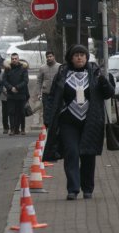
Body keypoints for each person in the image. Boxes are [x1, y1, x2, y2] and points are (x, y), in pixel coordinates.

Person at [43, 45, 116, 200]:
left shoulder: (95, 73)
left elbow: (108, 94)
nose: (79, 58)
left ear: (86, 57)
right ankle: (73, 189)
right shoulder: (63, 73)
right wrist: (48, 118)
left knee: (88, 154)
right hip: (68, 121)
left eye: (82, 55)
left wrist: (103, 81)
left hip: (91, 121)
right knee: (72, 152)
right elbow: (53, 97)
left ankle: (87, 188)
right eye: (76, 55)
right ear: (71, 58)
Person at [2, 53, 29, 135]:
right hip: (11, 94)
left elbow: (25, 81)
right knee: (11, 112)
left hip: (21, 93)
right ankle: (12, 129)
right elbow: (4, 80)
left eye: (15, 58)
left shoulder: (23, 68)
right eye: (12, 59)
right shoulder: (7, 69)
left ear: (18, 59)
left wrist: (17, 87)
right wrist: (11, 88)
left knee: (21, 112)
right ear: (11, 59)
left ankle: (22, 128)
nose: (14, 60)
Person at [38, 51, 61, 127]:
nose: (49, 58)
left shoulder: (59, 67)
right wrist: (39, 93)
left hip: (56, 93)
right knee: (46, 111)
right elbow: (39, 81)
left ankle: (56, 125)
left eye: (50, 56)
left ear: (54, 57)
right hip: (46, 93)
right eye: (47, 57)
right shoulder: (42, 68)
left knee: (56, 109)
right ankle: (47, 126)